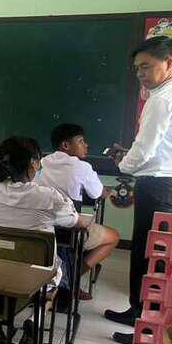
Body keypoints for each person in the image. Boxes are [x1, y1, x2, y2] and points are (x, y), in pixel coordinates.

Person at [106, 36, 172, 344]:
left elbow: (145, 149)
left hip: (158, 184)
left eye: (146, 67)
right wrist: (133, 158)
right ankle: (138, 312)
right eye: (137, 69)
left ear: (169, 62)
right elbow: (161, 146)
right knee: (156, 254)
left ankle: (146, 325)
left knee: (150, 255)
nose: (140, 74)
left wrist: (124, 164)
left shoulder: (161, 99)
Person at [0, 136, 91, 344]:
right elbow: (74, 221)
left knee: (2, 265)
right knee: (55, 274)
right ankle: (35, 320)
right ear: (33, 163)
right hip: (35, 276)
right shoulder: (49, 197)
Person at [39, 123, 120, 296]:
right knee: (113, 236)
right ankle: (71, 279)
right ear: (65, 145)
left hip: (44, 230)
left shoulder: (42, 162)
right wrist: (104, 192)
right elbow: (97, 193)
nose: (86, 145)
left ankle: (62, 277)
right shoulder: (82, 167)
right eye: (81, 141)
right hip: (70, 231)